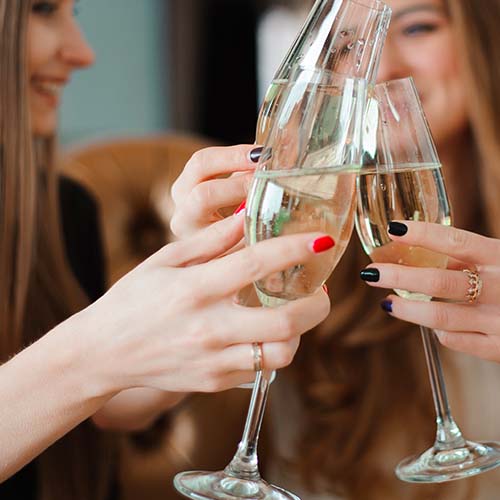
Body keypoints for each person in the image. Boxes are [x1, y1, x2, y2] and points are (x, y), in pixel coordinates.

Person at [0, 1, 333, 498]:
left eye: (75, 14)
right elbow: (82, 372)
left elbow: (110, 408)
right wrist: (93, 352)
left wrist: (200, 294)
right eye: (43, 10)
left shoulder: (59, 210)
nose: (83, 52)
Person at [171, 0, 500, 497]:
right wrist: (199, 288)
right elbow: (130, 414)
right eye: (350, 47)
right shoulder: (301, 232)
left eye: (417, 27)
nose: (381, 67)